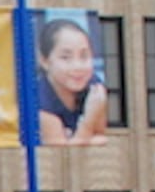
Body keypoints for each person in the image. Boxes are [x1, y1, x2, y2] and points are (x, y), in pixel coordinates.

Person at [35, 18, 109, 146]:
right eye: (66, 58)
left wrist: (78, 139)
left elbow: (103, 137)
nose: (77, 66)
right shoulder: (39, 102)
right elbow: (64, 155)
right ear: (45, 61)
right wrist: (88, 121)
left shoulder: (94, 87)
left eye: (84, 56)